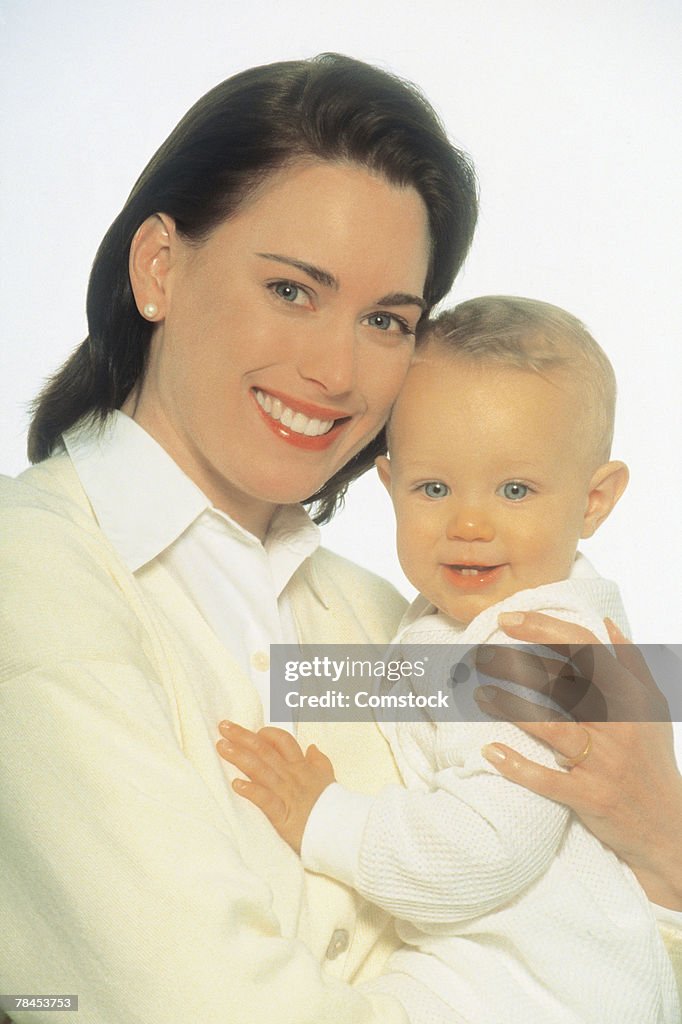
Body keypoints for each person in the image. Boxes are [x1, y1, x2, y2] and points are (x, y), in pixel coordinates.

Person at [0, 53, 680, 1024]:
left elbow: (598, 912)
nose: (335, 369)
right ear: (159, 268)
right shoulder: (29, 574)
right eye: (290, 289)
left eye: (386, 319)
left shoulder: (390, 615)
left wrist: (665, 842)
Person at [216, 296, 679, 1022]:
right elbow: (411, 689)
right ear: (390, 486)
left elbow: (484, 852)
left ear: (594, 501)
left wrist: (323, 818)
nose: (468, 523)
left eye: (515, 490)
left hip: (526, 998)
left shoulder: (538, 650)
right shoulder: (491, 625)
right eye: (433, 488)